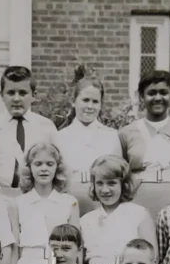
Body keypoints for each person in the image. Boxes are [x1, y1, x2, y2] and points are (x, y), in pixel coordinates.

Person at [118, 70, 170, 219]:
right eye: (151, 93)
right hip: (137, 201)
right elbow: (119, 175)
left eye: (163, 92)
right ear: (142, 96)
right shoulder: (126, 133)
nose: (157, 98)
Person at [80, 155, 158, 264]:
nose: (105, 190)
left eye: (111, 183)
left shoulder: (139, 214)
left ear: (124, 184)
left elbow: (153, 256)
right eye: (99, 183)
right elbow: (81, 262)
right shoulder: (86, 220)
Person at [51, 73, 123, 216]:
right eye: (85, 100)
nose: (90, 106)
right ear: (73, 101)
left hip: (101, 200)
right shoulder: (59, 137)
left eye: (95, 102)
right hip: (68, 200)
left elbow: (118, 175)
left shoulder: (112, 136)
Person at [0, 66, 58, 194]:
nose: (16, 99)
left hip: (35, 195)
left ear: (33, 95)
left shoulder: (46, 127)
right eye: (11, 93)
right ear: (2, 95)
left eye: (22, 93)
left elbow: (57, 164)